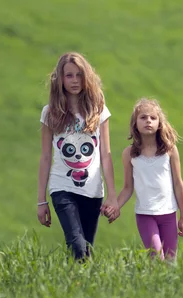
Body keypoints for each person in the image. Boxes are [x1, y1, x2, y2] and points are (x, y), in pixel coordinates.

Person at [36, 52, 119, 260]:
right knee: (77, 245)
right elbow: (45, 157)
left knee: (84, 251)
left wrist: (112, 196)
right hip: (62, 187)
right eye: (69, 76)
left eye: (79, 75)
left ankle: (78, 289)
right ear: (60, 79)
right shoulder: (50, 113)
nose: (74, 81)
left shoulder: (98, 110)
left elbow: (106, 154)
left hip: (93, 191)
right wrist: (41, 200)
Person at [108, 98, 183, 260]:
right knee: (157, 257)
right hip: (145, 214)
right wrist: (116, 206)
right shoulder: (129, 154)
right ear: (135, 123)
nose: (148, 121)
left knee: (170, 261)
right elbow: (128, 187)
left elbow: (178, 184)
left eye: (153, 118)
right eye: (143, 117)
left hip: (169, 214)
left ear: (159, 123)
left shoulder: (170, 150)